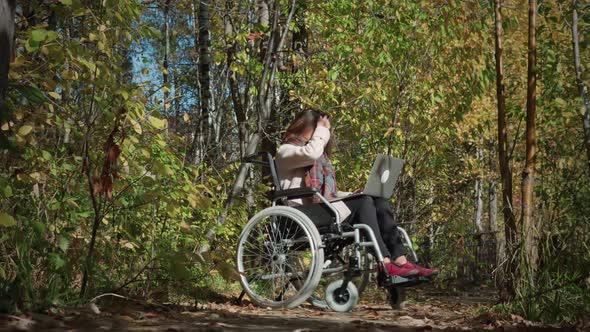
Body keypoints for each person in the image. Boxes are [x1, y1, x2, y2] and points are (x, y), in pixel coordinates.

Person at [275, 109, 438, 278]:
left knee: (377, 199)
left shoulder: (315, 155)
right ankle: (385, 263)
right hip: (300, 215)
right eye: (322, 129)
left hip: (320, 209)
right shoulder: (286, 151)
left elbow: (327, 192)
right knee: (363, 202)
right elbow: (311, 154)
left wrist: (351, 194)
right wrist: (322, 132)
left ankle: (401, 261)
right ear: (308, 127)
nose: (326, 134)